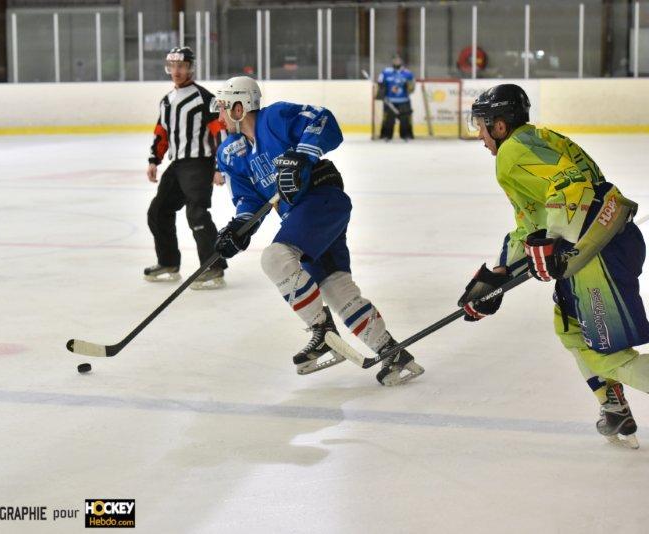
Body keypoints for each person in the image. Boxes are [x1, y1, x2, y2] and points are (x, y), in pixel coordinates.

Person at [461, 83, 649, 447]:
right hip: (600, 246)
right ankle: (612, 405)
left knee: (607, 357)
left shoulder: (511, 152)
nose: (480, 135)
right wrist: (500, 274)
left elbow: (570, 183)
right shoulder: (536, 138)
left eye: (481, 125)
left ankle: (612, 399)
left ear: (500, 126)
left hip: (596, 254)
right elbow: (529, 224)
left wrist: (555, 241)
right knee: (570, 329)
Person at [210, 76, 424, 385]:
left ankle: (321, 331)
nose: (219, 118)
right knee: (336, 288)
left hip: (322, 200)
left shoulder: (275, 118)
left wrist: (302, 155)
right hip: (303, 220)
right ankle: (393, 354)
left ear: (240, 107)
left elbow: (323, 119)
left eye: (222, 109)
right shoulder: (232, 152)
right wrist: (238, 229)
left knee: (274, 258)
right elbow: (249, 200)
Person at [145, 46, 227, 290]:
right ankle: (168, 262)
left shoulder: (205, 98)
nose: (177, 71)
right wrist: (153, 160)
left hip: (199, 164)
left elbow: (219, 133)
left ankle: (213, 267)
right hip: (177, 164)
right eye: (173, 66)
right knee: (158, 212)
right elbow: (162, 133)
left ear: (190, 67)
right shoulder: (167, 101)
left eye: (181, 66)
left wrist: (220, 167)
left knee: (197, 214)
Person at [376, 54, 415, 141]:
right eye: (395, 60)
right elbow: (380, 85)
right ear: (392, 61)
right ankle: (386, 135)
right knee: (388, 120)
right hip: (389, 101)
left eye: (398, 60)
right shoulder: (385, 72)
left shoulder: (408, 73)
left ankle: (406, 135)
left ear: (401, 61)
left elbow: (412, 88)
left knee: (405, 120)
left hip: (404, 100)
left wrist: (409, 86)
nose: (397, 61)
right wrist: (381, 94)